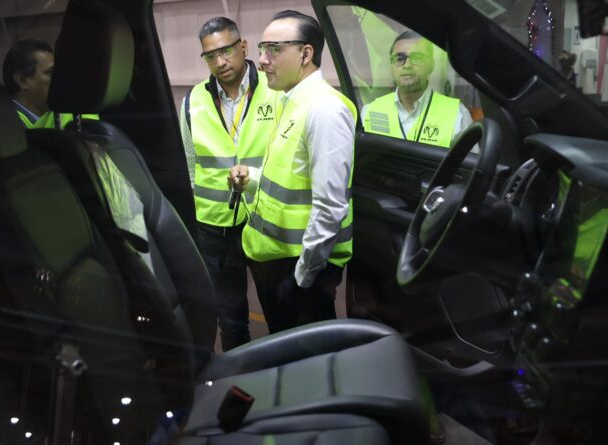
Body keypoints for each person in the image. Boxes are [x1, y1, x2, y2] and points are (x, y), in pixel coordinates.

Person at [228, 10, 356, 334]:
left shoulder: (325, 110)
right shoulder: (289, 101)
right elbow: (292, 179)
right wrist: (252, 179)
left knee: (307, 355)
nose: (261, 60)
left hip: (300, 267)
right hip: (276, 258)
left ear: (305, 54)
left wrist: (302, 278)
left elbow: (330, 206)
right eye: (262, 49)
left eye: (273, 49)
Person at [180, 17, 277, 351]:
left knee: (279, 313)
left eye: (226, 51)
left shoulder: (275, 90)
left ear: (243, 47)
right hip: (214, 227)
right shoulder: (193, 101)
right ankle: (240, 377)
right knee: (231, 319)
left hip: (265, 218)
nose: (220, 61)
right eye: (210, 56)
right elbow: (190, 166)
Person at [361, 31, 473, 149]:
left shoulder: (457, 114)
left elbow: (470, 161)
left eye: (417, 58)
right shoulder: (370, 111)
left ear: (431, 65)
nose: (407, 65)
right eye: (399, 59)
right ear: (391, 67)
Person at [2, 39, 97, 129]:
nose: (60, 79)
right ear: (22, 80)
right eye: (51, 73)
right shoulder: (6, 126)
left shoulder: (62, 116)